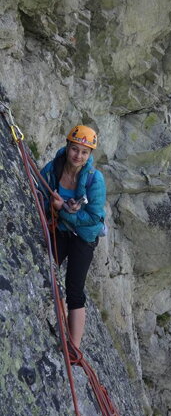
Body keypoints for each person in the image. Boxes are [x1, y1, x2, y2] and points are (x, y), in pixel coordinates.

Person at [40, 125, 106, 349]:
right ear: (67, 147)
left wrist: (63, 210)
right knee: (46, 270)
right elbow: (40, 188)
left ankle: (74, 348)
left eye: (84, 152)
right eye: (75, 149)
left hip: (84, 236)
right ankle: (57, 321)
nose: (78, 156)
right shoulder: (54, 168)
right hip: (62, 230)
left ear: (89, 156)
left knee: (74, 289)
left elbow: (95, 218)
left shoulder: (94, 180)